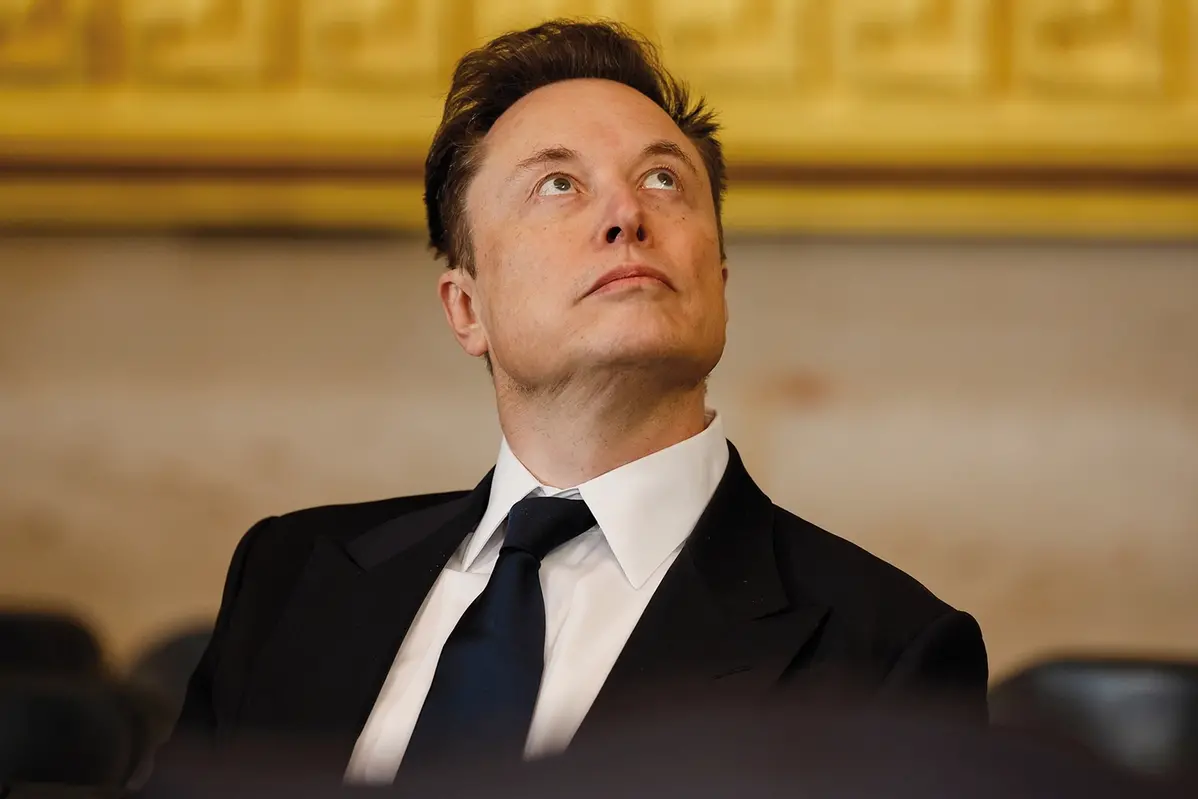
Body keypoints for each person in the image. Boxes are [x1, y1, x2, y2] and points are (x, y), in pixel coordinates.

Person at [151, 19, 988, 787]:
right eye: (557, 184)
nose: (627, 213)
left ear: (719, 285)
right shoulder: (290, 572)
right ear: (466, 308)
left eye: (664, 178)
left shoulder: (886, 650)